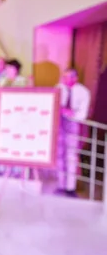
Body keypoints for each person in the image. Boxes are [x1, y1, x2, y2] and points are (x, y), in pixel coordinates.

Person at [56, 69, 90, 197]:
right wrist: (61, 111)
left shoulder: (83, 92)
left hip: (73, 125)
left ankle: (70, 188)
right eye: (63, 76)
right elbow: (54, 104)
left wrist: (70, 113)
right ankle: (60, 185)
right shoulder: (58, 88)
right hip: (59, 124)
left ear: (75, 78)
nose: (65, 79)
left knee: (71, 156)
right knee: (59, 155)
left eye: (68, 77)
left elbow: (83, 114)